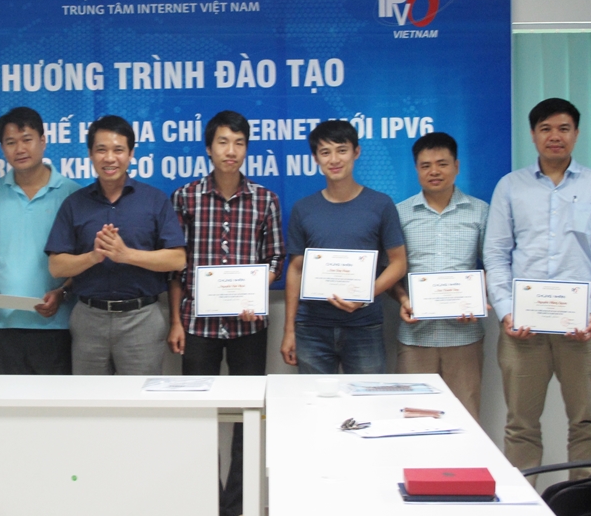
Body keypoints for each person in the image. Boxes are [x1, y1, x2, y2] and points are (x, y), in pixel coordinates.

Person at [484, 97, 591, 480]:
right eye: (545, 129)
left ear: (576, 134)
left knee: (586, 423)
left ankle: (582, 502)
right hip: (522, 330)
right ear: (533, 135)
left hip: (581, 329)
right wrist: (507, 311)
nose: (555, 136)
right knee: (520, 425)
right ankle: (524, 502)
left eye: (563, 128)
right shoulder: (510, 187)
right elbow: (495, 255)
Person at [167, 110, 284, 516]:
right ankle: (205, 502)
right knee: (197, 418)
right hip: (196, 326)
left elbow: (275, 259)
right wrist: (175, 321)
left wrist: (258, 291)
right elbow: (175, 266)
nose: (230, 151)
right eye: (222, 142)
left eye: (238, 143)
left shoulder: (266, 200)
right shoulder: (185, 197)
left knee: (247, 419)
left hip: (249, 327)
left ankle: (237, 506)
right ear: (208, 148)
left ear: (246, 148)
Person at [46, 115, 186, 375]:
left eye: (118, 150)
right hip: (89, 318)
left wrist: (126, 255)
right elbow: (56, 266)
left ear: (131, 154)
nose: (109, 158)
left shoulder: (154, 200)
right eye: (101, 150)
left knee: (140, 397)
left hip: (141, 318)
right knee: (90, 398)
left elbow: (177, 259)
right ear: (90, 154)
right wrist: (93, 257)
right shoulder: (74, 204)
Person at [281, 120, 407, 374]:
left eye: (342, 150)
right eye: (325, 152)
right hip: (312, 328)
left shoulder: (381, 204)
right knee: (315, 399)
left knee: (366, 397)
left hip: (364, 326)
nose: (334, 159)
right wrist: (289, 329)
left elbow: (399, 262)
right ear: (315, 158)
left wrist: (365, 294)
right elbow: (295, 269)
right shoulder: (303, 209)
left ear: (356, 152)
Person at [0, 107, 80, 374]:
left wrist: (63, 292)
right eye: (10, 142)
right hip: (3, 322)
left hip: (56, 322)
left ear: (43, 141)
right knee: (8, 399)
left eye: (27, 139)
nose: (20, 149)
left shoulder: (73, 194)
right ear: (2, 148)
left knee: (54, 399)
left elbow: (82, 260)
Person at [391, 132, 489, 420]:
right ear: (416, 169)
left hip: (464, 336)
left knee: (465, 418)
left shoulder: (480, 212)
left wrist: (478, 299)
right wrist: (403, 299)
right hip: (416, 337)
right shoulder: (399, 213)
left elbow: (494, 266)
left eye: (442, 164)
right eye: (425, 166)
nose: (434, 171)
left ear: (456, 166)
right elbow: (390, 270)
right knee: (415, 420)